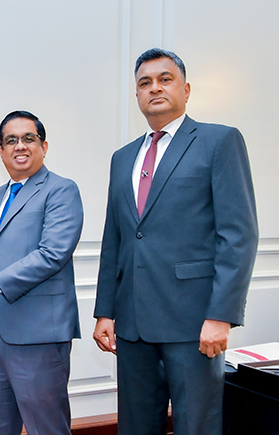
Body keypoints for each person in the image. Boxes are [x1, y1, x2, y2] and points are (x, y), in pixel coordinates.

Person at [93, 48, 258, 435]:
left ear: (186, 89)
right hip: (131, 325)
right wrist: (105, 311)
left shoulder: (219, 141)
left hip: (194, 323)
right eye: (145, 83)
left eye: (165, 79)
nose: (155, 88)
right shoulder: (122, 158)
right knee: (135, 427)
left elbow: (238, 235)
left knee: (196, 426)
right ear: (137, 95)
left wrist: (221, 315)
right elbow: (115, 238)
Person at [0, 110, 83, 435]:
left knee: (46, 428)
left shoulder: (61, 190)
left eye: (28, 138)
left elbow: (51, 255)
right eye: (11, 140)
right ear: (1, 151)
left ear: (44, 146)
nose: (19, 146)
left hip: (39, 335)